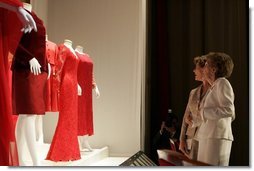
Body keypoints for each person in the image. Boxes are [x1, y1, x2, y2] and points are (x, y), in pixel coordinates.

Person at [0, 0, 37, 166]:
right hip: (19, 69)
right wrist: (16, 7)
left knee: (30, 114)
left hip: (30, 72)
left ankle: (29, 159)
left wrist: (15, 8)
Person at [12, 2, 47, 166]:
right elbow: (12, 43)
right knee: (29, 114)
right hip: (24, 70)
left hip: (37, 72)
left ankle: (20, 159)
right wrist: (29, 58)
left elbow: (41, 47)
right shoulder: (17, 15)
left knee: (26, 115)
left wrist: (46, 69)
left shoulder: (36, 18)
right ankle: (35, 162)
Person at [196, 52, 235, 166]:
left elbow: (229, 110)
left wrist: (204, 112)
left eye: (207, 64)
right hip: (209, 135)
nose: (204, 68)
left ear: (214, 69)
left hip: (216, 137)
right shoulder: (214, 86)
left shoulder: (222, 82)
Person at [46, 39, 81, 162]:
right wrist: (57, 88)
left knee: (72, 118)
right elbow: (59, 70)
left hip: (73, 83)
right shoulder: (63, 48)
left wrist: (77, 84)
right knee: (65, 117)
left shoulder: (72, 50)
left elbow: (74, 70)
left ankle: (70, 151)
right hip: (66, 84)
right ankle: (61, 152)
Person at [179, 56, 210, 161]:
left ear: (203, 69)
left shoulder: (214, 91)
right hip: (190, 139)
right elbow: (185, 117)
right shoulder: (193, 92)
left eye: (196, 68)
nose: (194, 70)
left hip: (206, 139)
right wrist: (182, 139)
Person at [75, 45, 100, 152]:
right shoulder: (74, 54)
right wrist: (76, 84)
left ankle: (85, 140)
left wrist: (95, 87)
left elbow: (91, 73)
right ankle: (78, 142)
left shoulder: (87, 56)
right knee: (80, 114)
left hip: (87, 89)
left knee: (87, 114)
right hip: (79, 89)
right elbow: (72, 71)